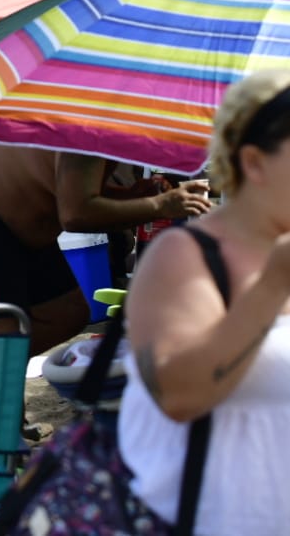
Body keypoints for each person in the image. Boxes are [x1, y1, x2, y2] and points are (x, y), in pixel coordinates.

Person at [120, 71, 290, 532]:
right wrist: (273, 283)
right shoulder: (185, 258)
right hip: (208, 517)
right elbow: (179, 393)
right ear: (254, 163)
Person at [0, 125, 212, 356]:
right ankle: (5, 422)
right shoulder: (91, 124)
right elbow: (77, 213)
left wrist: (142, 196)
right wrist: (159, 206)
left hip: (19, 215)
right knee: (3, 334)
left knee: (67, 313)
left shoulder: (109, 125)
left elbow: (78, 194)